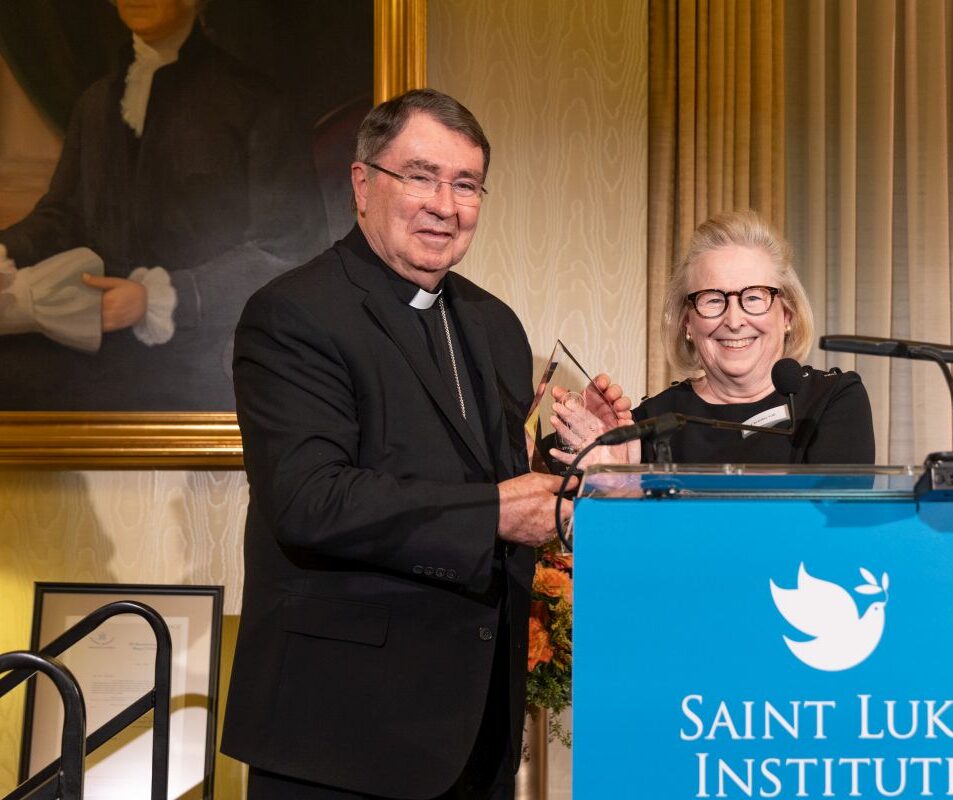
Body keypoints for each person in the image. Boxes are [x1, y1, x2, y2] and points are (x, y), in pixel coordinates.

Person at [220, 88, 573, 800]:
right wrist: (499, 511)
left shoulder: (495, 324)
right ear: (362, 183)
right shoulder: (292, 314)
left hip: (476, 731)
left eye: (466, 184)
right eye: (420, 175)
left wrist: (563, 458)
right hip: (341, 737)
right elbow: (308, 499)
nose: (445, 204)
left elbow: (487, 481)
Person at [0, 0, 324, 410]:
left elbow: (289, 252)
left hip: (206, 349)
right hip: (99, 338)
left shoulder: (257, 102)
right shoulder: (95, 102)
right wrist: (5, 249)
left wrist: (167, 297)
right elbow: (61, 215)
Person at [557, 210, 874, 464]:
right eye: (712, 299)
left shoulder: (833, 400)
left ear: (787, 316)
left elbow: (832, 534)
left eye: (753, 297)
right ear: (687, 323)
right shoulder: (647, 425)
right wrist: (614, 476)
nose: (734, 320)